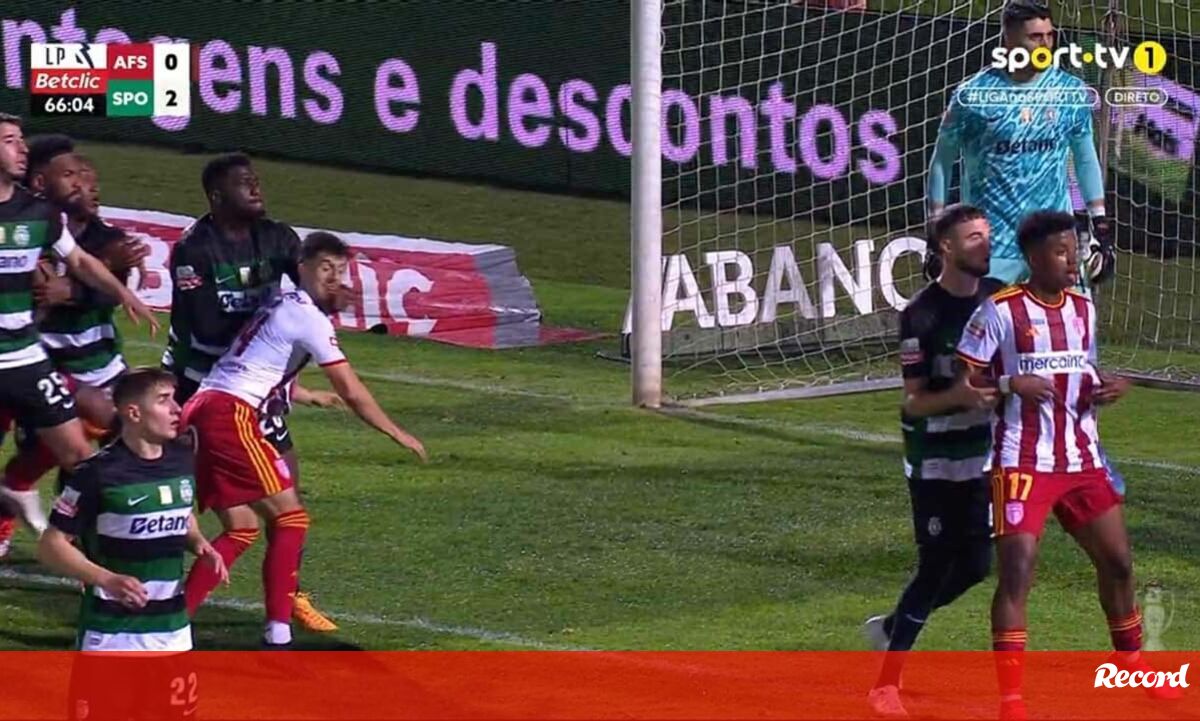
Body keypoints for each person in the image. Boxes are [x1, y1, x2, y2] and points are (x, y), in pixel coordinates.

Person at [956, 211, 1176, 720]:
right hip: (1021, 461)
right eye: (1062, 253)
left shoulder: (1083, 308)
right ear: (1034, 257)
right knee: (1018, 572)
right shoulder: (999, 311)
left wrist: (1110, 385)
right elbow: (961, 382)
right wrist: (1010, 384)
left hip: (1082, 459)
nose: (1073, 262)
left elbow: (1083, 366)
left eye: (1075, 252)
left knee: (1119, 563)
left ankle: (1132, 663)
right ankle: (1011, 700)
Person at [181, 231, 426, 647]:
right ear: (302, 269)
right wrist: (397, 432)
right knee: (290, 518)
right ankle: (278, 633)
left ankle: (172, 620)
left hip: (204, 409)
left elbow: (260, 360)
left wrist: (305, 394)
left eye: (341, 270)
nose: (335, 277)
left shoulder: (284, 303)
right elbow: (352, 390)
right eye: (325, 268)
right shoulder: (308, 317)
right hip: (229, 415)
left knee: (241, 528)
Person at [161, 151, 341, 630]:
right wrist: (273, 328)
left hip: (257, 392)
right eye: (245, 183)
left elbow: (307, 298)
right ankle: (150, 586)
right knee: (189, 502)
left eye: (257, 180)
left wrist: (313, 308)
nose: (257, 188)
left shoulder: (279, 238)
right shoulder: (195, 249)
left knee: (288, 499)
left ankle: (288, 595)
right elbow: (204, 326)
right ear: (218, 196)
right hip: (200, 386)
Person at [864, 205, 1001, 717]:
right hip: (934, 460)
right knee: (937, 563)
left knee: (977, 567)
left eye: (987, 235)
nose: (985, 245)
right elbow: (913, 403)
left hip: (982, 455)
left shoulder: (998, 299)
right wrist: (959, 397)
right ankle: (885, 685)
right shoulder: (920, 314)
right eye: (973, 237)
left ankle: (891, 627)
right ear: (946, 247)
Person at [0, 112, 158, 546]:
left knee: (83, 455)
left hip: (30, 359)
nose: (22, 148)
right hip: (43, 356)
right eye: (10, 140)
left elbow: (81, 264)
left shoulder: (42, 216)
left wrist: (123, 293)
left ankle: (78, 543)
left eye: (21, 140)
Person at [37, 367, 227, 719]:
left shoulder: (182, 460)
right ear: (133, 412)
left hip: (172, 634)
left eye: (174, 399)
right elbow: (52, 545)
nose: (177, 409)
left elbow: (180, 509)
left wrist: (198, 540)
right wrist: (107, 579)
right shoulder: (97, 474)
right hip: (112, 637)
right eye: (164, 400)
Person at [926, 0, 1114, 290]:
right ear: (1010, 40)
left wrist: (1099, 224)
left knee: (1072, 321)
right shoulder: (974, 96)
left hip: (1055, 245)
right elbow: (941, 161)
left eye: (1049, 35)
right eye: (1035, 37)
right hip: (993, 250)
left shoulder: (1070, 92)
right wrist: (936, 231)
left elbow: (1085, 158)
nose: (1045, 45)